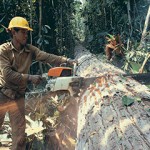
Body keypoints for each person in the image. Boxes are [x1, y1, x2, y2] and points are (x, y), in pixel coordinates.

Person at [0, 16, 77, 150]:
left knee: (19, 137)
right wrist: (30, 77)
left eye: (27, 32)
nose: (26, 35)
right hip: (2, 94)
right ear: (13, 32)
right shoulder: (3, 50)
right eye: (23, 32)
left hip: (18, 96)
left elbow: (46, 56)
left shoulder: (30, 50)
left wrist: (66, 60)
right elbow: (8, 75)